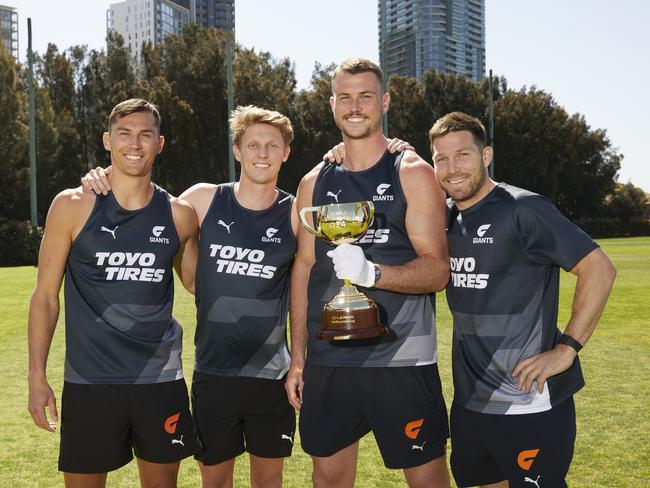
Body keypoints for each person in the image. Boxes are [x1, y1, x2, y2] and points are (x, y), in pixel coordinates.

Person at [82, 105, 298, 488]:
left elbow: (305, 286)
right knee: (214, 482)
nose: (261, 154)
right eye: (252, 145)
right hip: (213, 373)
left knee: (269, 481)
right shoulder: (203, 199)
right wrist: (103, 177)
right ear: (237, 151)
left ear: (286, 152)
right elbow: (145, 208)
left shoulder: (295, 213)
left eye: (271, 145)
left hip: (271, 375)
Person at [286, 58, 451, 488]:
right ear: (332, 104)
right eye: (345, 97)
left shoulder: (412, 172)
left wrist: (373, 273)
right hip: (329, 361)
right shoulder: (313, 181)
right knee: (329, 479)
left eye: (366, 96)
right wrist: (299, 357)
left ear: (385, 102)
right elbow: (304, 270)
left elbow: (437, 270)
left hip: (402, 360)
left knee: (428, 479)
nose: (355, 106)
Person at [428, 112, 616, 488]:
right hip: (469, 402)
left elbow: (599, 269)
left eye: (462, 155)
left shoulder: (522, 208)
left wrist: (567, 349)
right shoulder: (443, 219)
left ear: (486, 156)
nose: (452, 168)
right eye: (441, 159)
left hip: (530, 400)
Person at [27, 98, 199, 488]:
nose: (134, 144)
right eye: (124, 134)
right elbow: (45, 297)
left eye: (145, 134)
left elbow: (198, 283)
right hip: (91, 381)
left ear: (160, 143)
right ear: (107, 140)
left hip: (159, 380)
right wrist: (37, 376)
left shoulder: (179, 214)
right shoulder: (72, 205)